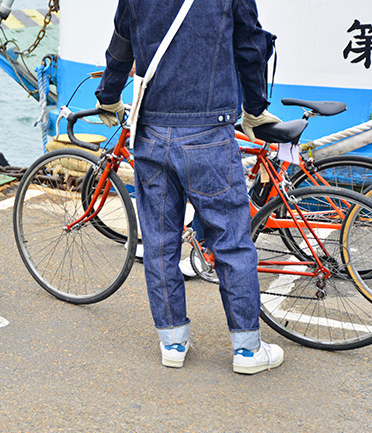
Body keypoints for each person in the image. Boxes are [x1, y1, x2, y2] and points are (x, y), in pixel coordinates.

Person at [95, 0, 284, 374]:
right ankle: (247, 351)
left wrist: (108, 96)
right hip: (210, 132)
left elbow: (122, 43)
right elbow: (249, 45)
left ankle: (173, 343)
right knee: (231, 240)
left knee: (161, 241)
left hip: (152, 132)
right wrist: (255, 107)